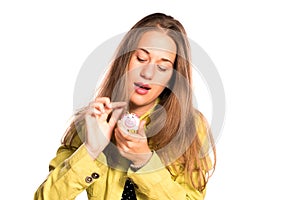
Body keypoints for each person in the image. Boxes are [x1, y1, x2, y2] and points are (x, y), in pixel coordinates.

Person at [34, 12, 216, 200]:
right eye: (141, 58)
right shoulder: (93, 121)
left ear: (173, 76)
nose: (147, 73)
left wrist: (145, 162)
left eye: (162, 67)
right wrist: (91, 150)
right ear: (125, 60)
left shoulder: (190, 126)